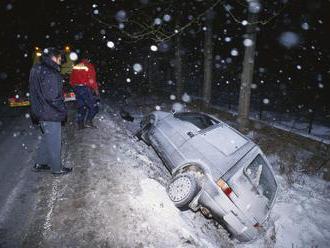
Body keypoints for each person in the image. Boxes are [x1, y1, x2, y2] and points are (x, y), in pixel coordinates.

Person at [29, 47, 72, 175]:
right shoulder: (51, 72)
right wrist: (62, 110)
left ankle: (40, 163)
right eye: (59, 57)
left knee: (47, 137)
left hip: (40, 110)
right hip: (50, 112)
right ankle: (57, 168)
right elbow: (53, 97)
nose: (61, 60)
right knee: (54, 141)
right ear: (53, 57)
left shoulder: (37, 68)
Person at [69, 55, 100, 129]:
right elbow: (92, 80)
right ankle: (88, 121)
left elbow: (71, 80)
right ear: (88, 59)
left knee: (81, 106)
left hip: (76, 88)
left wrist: (75, 88)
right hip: (85, 88)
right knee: (94, 106)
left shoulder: (76, 66)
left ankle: (80, 124)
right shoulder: (89, 66)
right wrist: (96, 90)